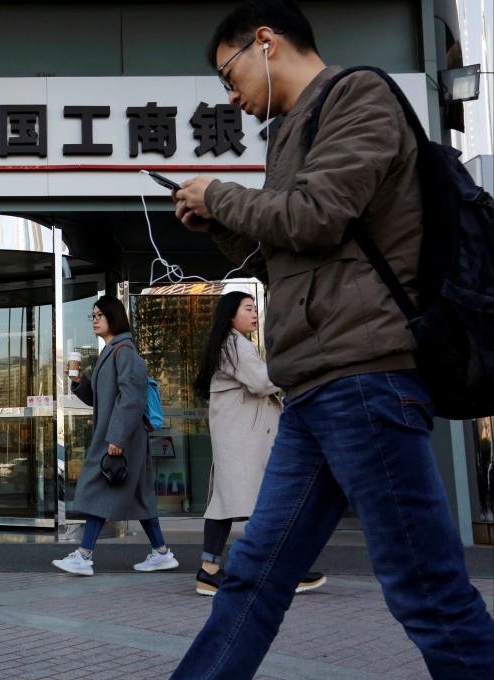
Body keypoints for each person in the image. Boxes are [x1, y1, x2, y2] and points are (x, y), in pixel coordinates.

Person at [170, 1, 494, 676]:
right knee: (252, 578)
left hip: (366, 378)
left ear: (265, 42)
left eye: (229, 75)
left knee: (426, 590)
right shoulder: (291, 132)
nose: (231, 96)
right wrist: (218, 222)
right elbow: (291, 250)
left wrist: (220, 195)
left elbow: (316, 216)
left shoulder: (360, 95)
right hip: (318, 388)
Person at [192, 291, 324, 596]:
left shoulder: (229, 343)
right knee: (268, 503)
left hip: (238, 436)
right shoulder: (235, 344)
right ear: (231, 314)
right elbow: (262, 382)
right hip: (242, 439)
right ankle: (287, 570)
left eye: (255, 309)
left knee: (225, 503)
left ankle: (209, 571)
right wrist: (295, 368)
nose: (254, 314)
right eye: (248, 309)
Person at [52, 295, 179, 576]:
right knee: (140, 496)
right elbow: (103, 399)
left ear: (114, 317)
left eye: (99, 315)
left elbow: (132, 398)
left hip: (120, 438)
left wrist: (117, 438)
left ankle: (83, 556)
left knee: (97, 488)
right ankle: (161, 553)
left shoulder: (125, 351)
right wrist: (79, 382)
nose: (95, 320)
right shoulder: (112, 350)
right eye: (92, 316)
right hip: (119, 435)